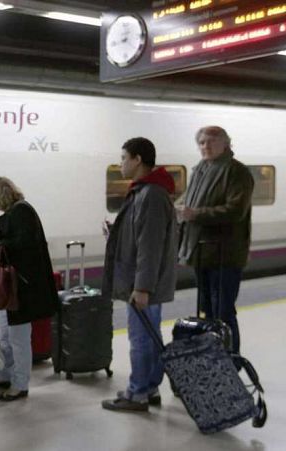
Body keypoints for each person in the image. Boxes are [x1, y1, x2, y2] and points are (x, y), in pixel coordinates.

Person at [101, 137, 178, 412]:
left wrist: (142, 287)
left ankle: (137, 394)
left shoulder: (151, 195)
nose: (120, 163)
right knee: (148, 334)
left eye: (123, 157)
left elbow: (151, 245)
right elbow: (141, 236)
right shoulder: (145, 191)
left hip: (143, 283)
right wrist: (117, 233)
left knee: (141, 339)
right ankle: (149, 387)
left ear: (137, 160)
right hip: (143, 280)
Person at [0, 177, 58, 402]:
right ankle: (5, 374)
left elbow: (24, 245)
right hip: (8, 289)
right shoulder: (15, 213)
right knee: (4, 335)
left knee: (19, 339)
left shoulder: (22, 212)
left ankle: (20, 384)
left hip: (21, 290)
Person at [176, 126, 254, 355]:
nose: (205, 147)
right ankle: (211, 359)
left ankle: (231, 360)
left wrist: (196, 214)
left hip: (225, 254)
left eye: (211, 142)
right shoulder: (200, 170)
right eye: (201, 142)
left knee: (223, 312)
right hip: (202, 252)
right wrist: (176, 209)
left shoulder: (236, 172)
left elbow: (235, 210)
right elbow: (189, 199)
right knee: (206, 310)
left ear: (226, 144)